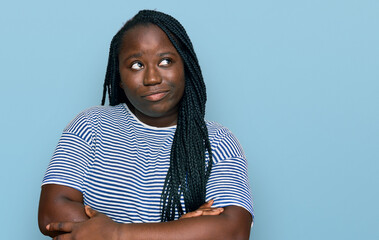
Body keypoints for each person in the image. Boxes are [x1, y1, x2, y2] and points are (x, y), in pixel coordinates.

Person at [38, 9, 253, 240]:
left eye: (165, 61)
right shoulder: (90, 126)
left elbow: (233, 231)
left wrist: (117, 234)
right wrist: (179, 232)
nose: (152, 78)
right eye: (136, 65)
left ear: (186, 67)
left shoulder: (218, 141)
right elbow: (51, 214)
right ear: (119, 77)